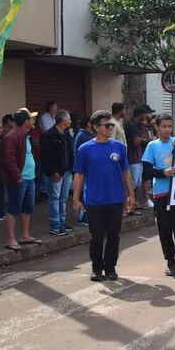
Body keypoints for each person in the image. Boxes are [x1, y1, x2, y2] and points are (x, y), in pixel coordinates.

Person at [73, 110, 135, 281]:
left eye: (111, 125)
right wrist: (76, 199)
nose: (110, 128)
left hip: (115, 199)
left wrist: (131, 195)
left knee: (114, 235)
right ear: (95, 127)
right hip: (94, 200)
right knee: (97, 236)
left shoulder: (119, 147)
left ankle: (110, 267)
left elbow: (126, 172)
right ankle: (96, 268)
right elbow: (78, 175)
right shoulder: (85, 149)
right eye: (106, 125)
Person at [142, 113, 175, 276]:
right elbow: (147, 171)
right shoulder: (152, 146)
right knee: (164, 229)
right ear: (156, 127)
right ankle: (170, 261)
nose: (167, 130)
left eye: (170, 126)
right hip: (161, 194)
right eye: (163, 126)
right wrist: (164, 172)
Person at [0, 109, 42, 251]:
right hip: (19, 179)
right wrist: (17, 177)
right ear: (25, 122)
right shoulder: (12, 136)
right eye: (31, 118)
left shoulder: (25, 135)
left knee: (27, 209)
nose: (34, 121)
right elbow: (8, 159)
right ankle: (11, 239)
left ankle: (24, 235)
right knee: (13, 209)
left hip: (30, 178)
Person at [40, 109, 75, 236]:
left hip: (66, 172)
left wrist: (72, 169)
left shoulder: (66, 134)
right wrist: (52, 171)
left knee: (63, 198)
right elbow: (45, 156)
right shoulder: (49, 135)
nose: (70, 120)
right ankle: (55, 225)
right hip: (56, 173)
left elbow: (71, 152)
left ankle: (61, 221)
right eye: (69, 118)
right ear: (63, 120)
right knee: (54, 198)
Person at [72, 116, 95, 227]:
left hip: (90, 171)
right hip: (82, 170)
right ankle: (81, 218)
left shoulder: (90, 135)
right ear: (89, 124)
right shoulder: (81, 135)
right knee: (81, 193)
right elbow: (75, 152)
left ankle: (88, 216)